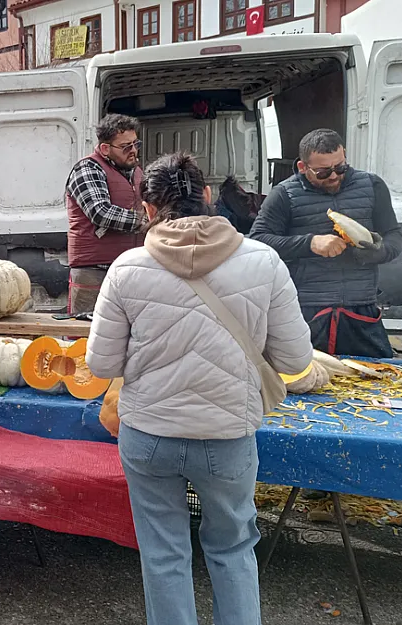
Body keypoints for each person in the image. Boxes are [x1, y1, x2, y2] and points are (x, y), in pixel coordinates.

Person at [86, 152, 312, 625]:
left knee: (163, 554)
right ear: (207, 198)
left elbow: (102, 363)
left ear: (148, 210)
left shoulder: (127, 268)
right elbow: (295, 360)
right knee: (232, 550)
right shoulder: (263, 261)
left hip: (148, 435)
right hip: (228, 436)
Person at [250, 128, 402, 358]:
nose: (333, 176)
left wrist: (375, 252)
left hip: (361, 309)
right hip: (307, 312)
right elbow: (257, 241)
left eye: (340, 167)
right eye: (323, 172)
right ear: (303, 167)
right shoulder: (284, 194)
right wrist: (310, 243)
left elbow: (395, 237)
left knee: (377, 382)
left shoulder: (372, 186)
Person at [64, 113, 147, 314]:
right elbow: (101, 212)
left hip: (130, 267)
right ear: (105, 149)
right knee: (85, 335)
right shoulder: (87, 169)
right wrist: (147, 221)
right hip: (94, 271)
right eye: (126, 146)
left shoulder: (137, 172)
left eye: (136, 144)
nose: (133, 151)